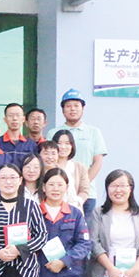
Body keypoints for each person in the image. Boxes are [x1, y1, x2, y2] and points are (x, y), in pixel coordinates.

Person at [50, 89, 107, 219]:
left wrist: (81, 184)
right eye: (68, 106)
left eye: (76, 106)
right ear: (63, 110)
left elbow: (98, 162)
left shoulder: (93, 132)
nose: (72, 109)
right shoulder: (53, 133)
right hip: (57, 193)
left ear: (83, 109)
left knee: (83, 229)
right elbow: (49, 160)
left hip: (86, 194)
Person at [50, 129, 90, 210]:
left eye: (67, 143)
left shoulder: (79, 167)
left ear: (72, 146)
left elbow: (84, 190)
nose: (63, 147)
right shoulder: (49, 167)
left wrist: (77, 202)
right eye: (59, 143)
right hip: (52, 209)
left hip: (75, 209)